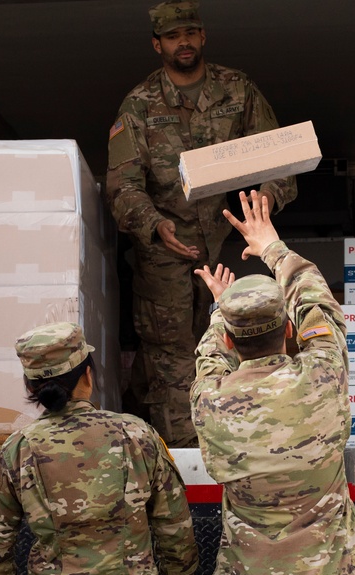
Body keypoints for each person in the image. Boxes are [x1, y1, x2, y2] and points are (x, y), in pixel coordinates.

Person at [190, 190, 355, 575]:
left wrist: (226, 307)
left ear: (228, 339)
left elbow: (209, 359)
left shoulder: (211, 403)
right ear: (288, 330)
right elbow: (318, 305)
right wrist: (271, 246)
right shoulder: (322, 377)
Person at [106, 0, 298, 450]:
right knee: (171, 359)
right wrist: (154, 225)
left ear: (203, 36)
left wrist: (266, 199)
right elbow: (121, 187)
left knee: (241, 341)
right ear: (158, 45)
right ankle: (185, 460)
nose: (184, 42)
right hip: (162, 255)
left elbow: (279, 158)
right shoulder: (138, 105)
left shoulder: (238, 89)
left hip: (226, 241)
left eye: (190, 33)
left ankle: (234, 442)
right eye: (173, 37)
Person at [0, 321, 201, 575]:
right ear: (88, 377)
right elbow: (176, 532)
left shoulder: (18, 451)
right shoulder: (138, 436)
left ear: (31, 387)